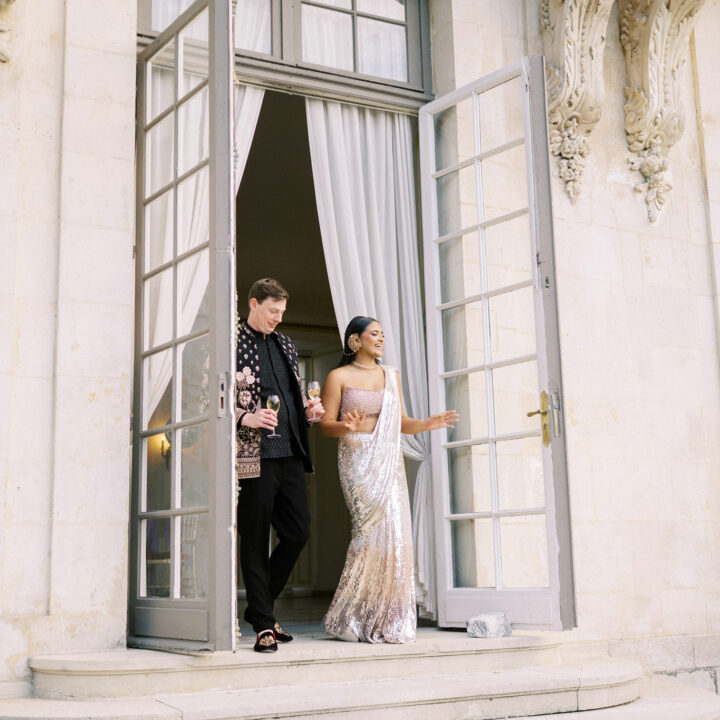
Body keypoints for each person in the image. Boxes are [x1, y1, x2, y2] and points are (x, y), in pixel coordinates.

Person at [318, 316, 458, 643]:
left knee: (395, 535)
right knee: (367, 534)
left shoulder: (391, 375)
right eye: (374, 334)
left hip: (388, 460)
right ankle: (351, 617)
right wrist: (345, 427)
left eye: (382, 334)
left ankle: (389, 616)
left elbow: (401, 422)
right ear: (355, 340)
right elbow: (325, 425)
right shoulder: (338, 376)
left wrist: (427, 423)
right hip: (356, 458)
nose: (381, 339)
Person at [235, 278, 324, 653]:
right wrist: (247, 417)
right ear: (254, 304)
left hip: (290, 452)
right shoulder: (231, 341)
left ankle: (259, 608)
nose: (278, 318)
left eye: (282, 312)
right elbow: (209, 397)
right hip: (253, 456)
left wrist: (308, 411)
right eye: (273, 311)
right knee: (255, 538)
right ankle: (263, 624)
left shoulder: (286, 343)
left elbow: (291, 395)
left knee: (297, 532)